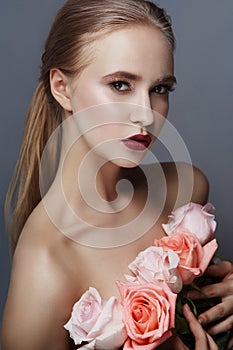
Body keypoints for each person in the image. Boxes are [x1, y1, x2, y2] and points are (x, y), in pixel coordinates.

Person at [1, 0, 233, 349]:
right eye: (121, 85)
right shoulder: (46, 266)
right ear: (62, 87)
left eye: (159, 89)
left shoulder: (184, 192)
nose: (145, 114)